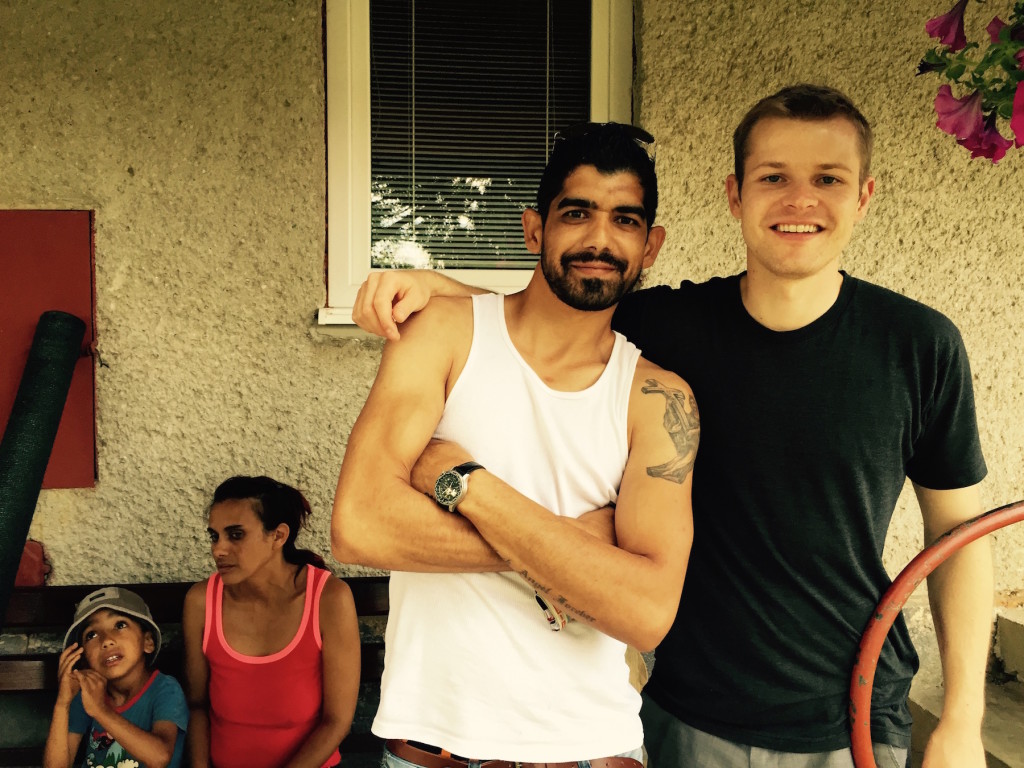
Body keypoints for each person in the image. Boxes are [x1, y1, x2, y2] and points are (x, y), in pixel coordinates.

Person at [348, 84, 993, 768]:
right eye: (773, 177)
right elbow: (556, 309)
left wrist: (961, 720)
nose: (800, 201)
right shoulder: (672, 332)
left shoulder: (919, 345)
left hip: (852, 711)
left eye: (827, 179)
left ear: (864, 196)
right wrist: (436, 289)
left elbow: (958, 537)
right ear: (735, 195)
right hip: (690, 711)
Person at [332, 122, 697, 768]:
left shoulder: (658, 401)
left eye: (625, 220)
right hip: (434, 748)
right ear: (535, 230)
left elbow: (645, 613)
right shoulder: (442, 334)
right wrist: (574, 548)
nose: (599, 240)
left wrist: (466, 485)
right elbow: (359, 524)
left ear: (651, 246)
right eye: (577, 213)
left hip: (589, 750)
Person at [183, 476, 361, 768]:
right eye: (214, 536)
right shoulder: (202, 601)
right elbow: (197, 704)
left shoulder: (329, 599)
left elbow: (336, 721)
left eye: (236, 535)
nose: (218, 550)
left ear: (278, 536)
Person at [43, 586, 189, 768]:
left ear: (148, 642)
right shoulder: (86, 694)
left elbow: (159, 757)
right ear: (84, 659)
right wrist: (63, 703)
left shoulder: (165, 689)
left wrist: (100, 710)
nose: (106, 640)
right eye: (92, 635)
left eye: (120, 625)